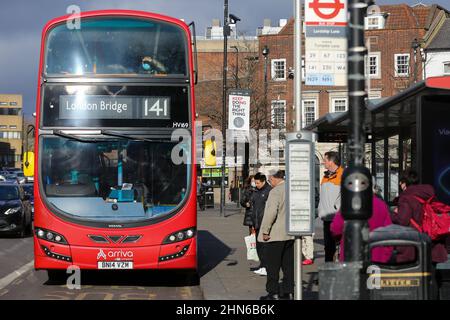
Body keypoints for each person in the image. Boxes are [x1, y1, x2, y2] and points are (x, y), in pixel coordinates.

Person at [392, 170, 448, 264]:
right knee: (430, 275)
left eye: (400, 182)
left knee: (416, 276)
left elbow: (402, 221)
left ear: (404, 183)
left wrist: (393, 214)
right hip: (433, 243)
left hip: (415, 246)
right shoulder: (428, 194)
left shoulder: (406, 198)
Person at [331, 181, 393, 263]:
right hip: (377, 259)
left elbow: (335, 229)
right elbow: (389, 233)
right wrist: (386, 255)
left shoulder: (348, 204)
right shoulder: (381, 205)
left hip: (351, 257)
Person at [259, 170, 295, 300]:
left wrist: (265, 231)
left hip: (275, 234)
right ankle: (289, 291)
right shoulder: (292, 189)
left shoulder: (275, 192)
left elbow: (271, 213)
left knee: (272, 267)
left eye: (270, 180)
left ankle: (273, 293)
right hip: (290, 234)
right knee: (288, 266)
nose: (270, 183)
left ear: (274, 178)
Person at [318, 151, 344, 262]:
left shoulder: (343, 175)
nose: (323, 162)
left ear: (331, 161)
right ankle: (328, 273)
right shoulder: (325, 176)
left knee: (339, 249)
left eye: (325, 160)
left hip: (337, 218)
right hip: (326, 218)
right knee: (328, 248)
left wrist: (338, 209)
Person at [251, 172, 272, 276]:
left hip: (265, 223)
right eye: (255, 182)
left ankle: (266, 267)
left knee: (265, 246)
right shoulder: (256, 191)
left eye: (258, 183)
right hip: (257, 222)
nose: (256, 184)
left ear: (264, 181)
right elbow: (254, 207)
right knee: (259, 246)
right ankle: (262, 265)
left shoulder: (269, 191)